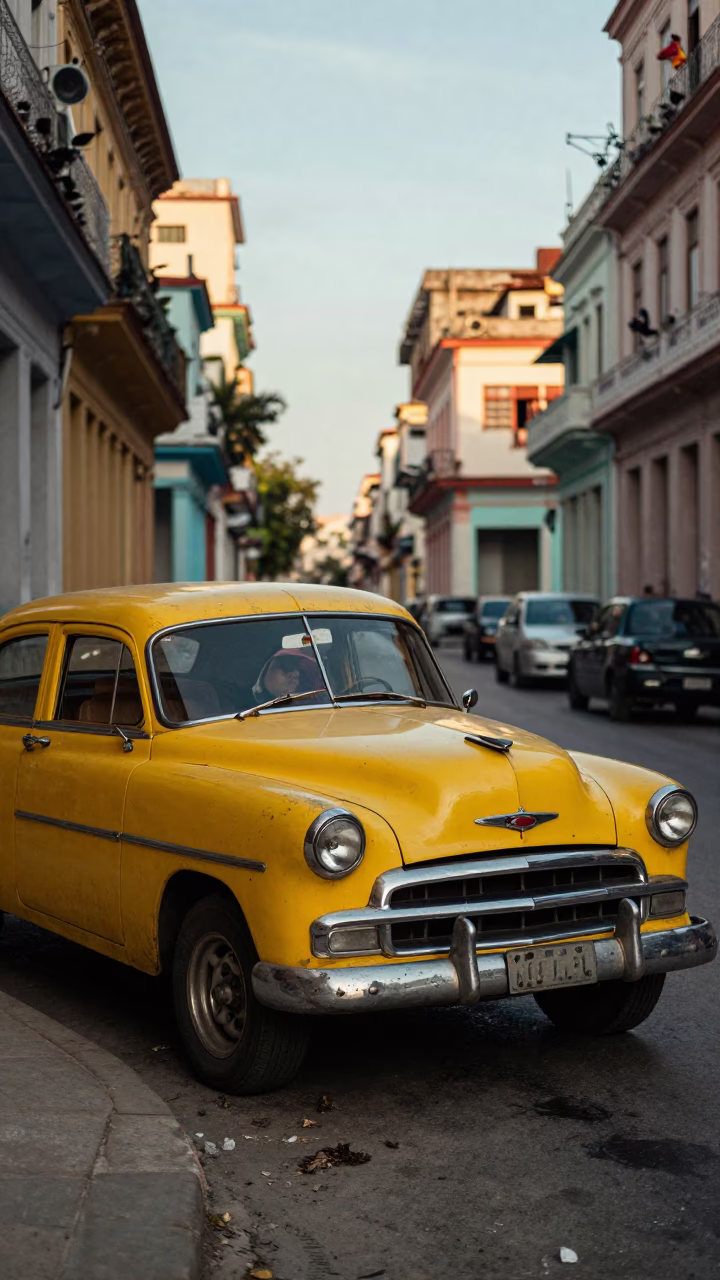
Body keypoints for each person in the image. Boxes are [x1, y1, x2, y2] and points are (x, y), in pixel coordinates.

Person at [252, 649, 324, 704]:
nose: (295, 675)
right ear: (265, 670)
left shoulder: (319, 703)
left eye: (302, 675)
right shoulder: (245, 707)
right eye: (285, 668)